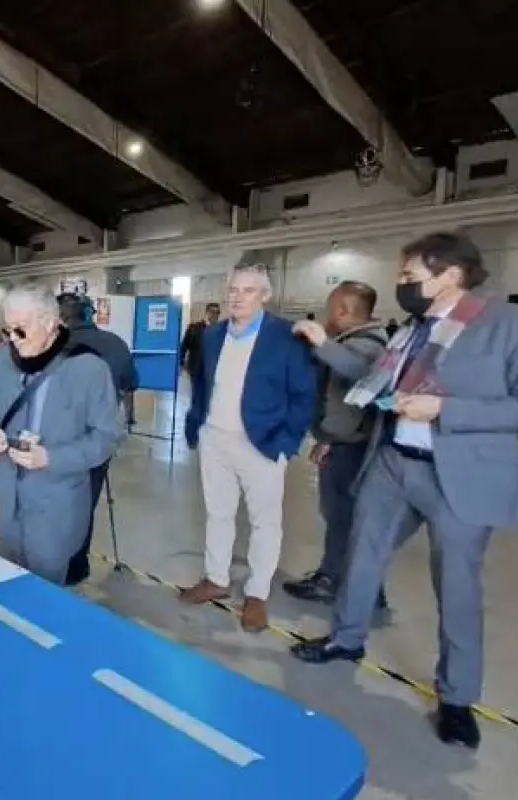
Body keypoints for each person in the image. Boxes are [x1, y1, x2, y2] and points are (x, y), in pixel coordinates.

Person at [291, 232, 518, 750]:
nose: (402, 286)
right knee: (360, 555)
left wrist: (446, 410)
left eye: (411, 277)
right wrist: (324, 345)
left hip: (457, 475)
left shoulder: (504, 326)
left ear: (452, 276)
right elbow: (375, 383)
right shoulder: (412, 331)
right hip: (393, 462)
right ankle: (346, 640)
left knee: (457, 587)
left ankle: (457, 698)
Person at [182, 264, 316, 632]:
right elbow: (201, 381)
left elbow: (304, 396)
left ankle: (257, 593)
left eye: (248, 290)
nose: (237, 297)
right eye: (233, 290)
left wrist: (287, 444)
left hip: (263, 443)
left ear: (265, 296)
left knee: (265, 522)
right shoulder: (212, 336)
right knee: (218, 513)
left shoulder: (286, 338)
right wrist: (197, 425)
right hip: (215, 438)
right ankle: (216, 579)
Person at [0, 285, 123, 584]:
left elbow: (107, 437)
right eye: (7, 329)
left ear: (50, 322)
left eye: (20, 329)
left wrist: (51, 457)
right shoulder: (4, 357)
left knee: (46, 587)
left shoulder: (88, 367)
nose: (12, 338)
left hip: (57, 502)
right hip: (9, 496)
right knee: (13, 575)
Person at [284, 282, 389, 605]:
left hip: (355, 449)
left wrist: (320, 340)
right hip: (343, 442)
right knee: (343, 516)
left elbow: (358, 372)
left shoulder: (369, 345)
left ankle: (333, 580)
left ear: (343, 310)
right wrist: (327, 438)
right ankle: (366, 587)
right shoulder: (350, 342)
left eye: (332, 308)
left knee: (343, 516)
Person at [57, 293, 136, 586]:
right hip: (100, 437)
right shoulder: (115, 343)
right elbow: (131, 383)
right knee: (85, 500)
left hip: (60, 438)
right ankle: (76, 566)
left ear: (60, 317)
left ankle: (55, 564)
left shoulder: (56, 346)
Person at [180, 303, 221, 380]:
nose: (215, 315)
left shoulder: (220, 331)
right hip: (196, 371)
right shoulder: (194, 328)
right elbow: (183, 347)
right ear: (207, 312)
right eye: (212, 312)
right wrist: (182, 363)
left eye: (217, 313)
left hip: (213, 372)